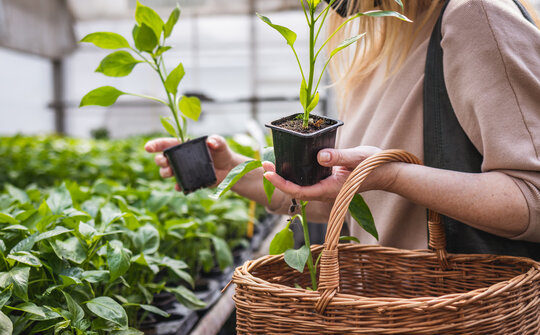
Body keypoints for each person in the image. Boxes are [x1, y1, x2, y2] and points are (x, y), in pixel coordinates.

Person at [145, 0, 540, 252]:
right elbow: (343, 199)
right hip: (385, 319)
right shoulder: (379, 43)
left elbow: (532, 198)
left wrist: (391, 176)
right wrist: (231, 171)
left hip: (460, 324)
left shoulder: (475, 16)